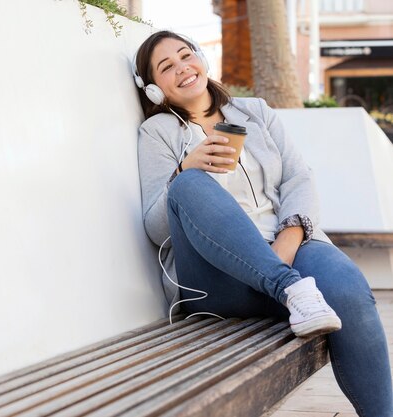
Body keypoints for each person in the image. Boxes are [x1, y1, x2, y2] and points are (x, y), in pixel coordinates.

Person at [133, 30, 393, 417]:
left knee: (349, 290)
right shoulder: (157, 133)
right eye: (166, 67)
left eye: (186, 56)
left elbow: (298, 178)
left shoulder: (255, 112)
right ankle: (289, 289)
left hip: (288, 252)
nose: (182, 68)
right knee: (188, 184)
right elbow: (157, 229)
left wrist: (288, 240)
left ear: (201, 59)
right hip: (218, 280)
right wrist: (185, 168)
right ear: (154, 89)